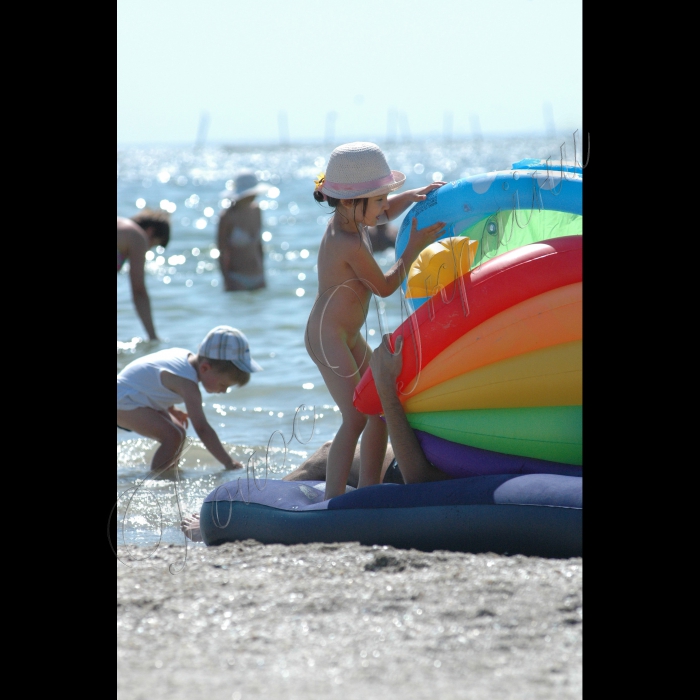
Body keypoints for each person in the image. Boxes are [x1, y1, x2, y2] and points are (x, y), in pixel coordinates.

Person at [305, 141, 446, 500]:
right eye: (380, 198)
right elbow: (384, 288)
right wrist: (412, 248)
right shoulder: (347, 241)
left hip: (346, 334)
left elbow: (382, 214)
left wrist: (411, 197)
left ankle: (367, 490)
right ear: (354, 201)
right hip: (328, 337)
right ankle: (333, 500)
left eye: (387, 197)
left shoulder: (352, 219)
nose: (386, 206)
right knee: (354, 418)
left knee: (380, 408)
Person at [117, 325, 263, 475]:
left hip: (134, 396)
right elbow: (202, 429)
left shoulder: (183, 358)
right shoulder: (188, 384)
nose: (224, 391)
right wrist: (228, 462)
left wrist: (171, 408)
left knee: (179, 432)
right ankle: (157, 481)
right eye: (223, 385)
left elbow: (153, 382)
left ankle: (170, 473)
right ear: (205, 368)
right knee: (172, 436)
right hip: (123, 400)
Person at [117, 209, 170, 341]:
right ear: (150, 231)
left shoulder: (121, 226)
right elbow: (139, 291)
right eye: (153, 244)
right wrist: (153, 336)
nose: (148, 248)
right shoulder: (137, 237)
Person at [217, 170, 270, 291]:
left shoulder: (257, 210)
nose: (255, 195)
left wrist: (263, 274)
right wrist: (227, 281)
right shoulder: (227, 216)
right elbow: (221, 251)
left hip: (258, 277)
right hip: (236, 279)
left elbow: (259, 245)